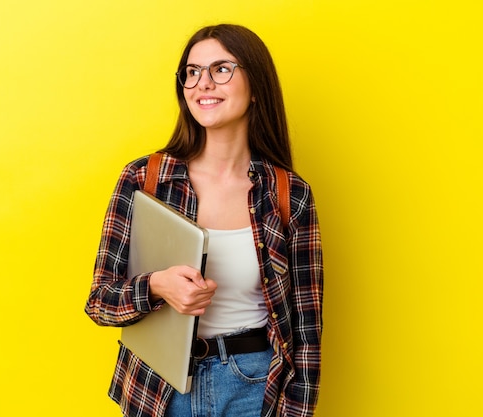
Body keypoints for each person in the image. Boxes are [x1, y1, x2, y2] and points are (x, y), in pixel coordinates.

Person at [85, 23, 323, 417]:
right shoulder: (145, 180)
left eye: (221, 70)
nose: (203, 84)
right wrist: (157, 286)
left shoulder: (288, 194)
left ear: (256, 87)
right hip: (159, 389)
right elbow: (99, 302)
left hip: (254, 387)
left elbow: (306, 334)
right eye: (192, 73)